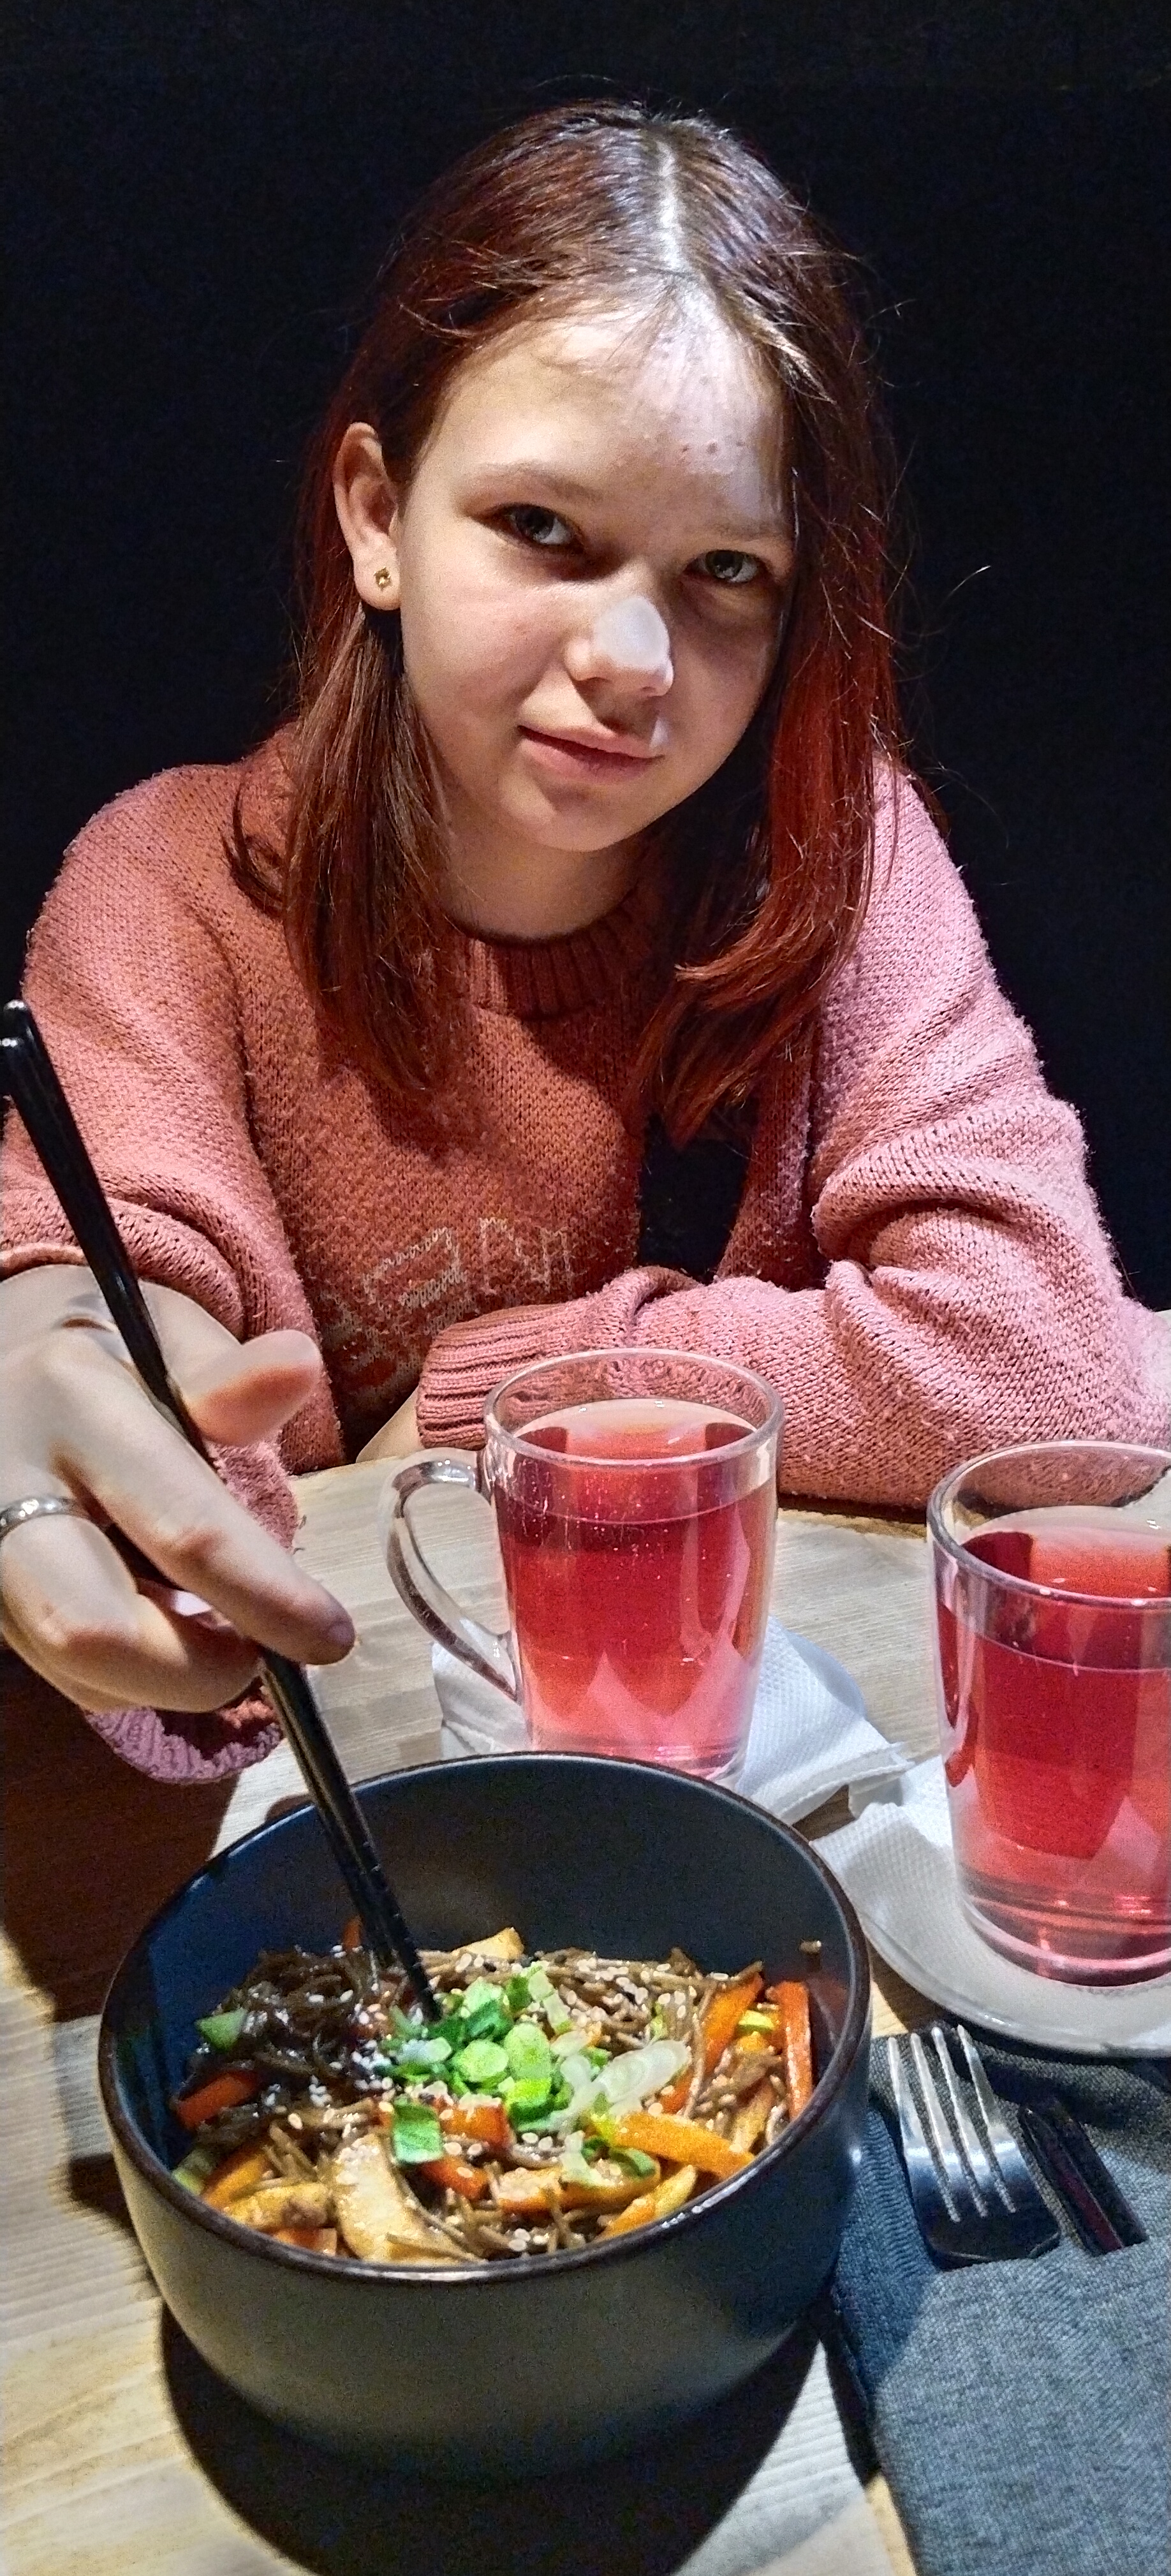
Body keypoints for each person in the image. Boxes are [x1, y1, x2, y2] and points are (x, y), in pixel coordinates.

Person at [1, 101, 1164, 1781]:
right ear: (377, 516)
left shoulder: (836, 847)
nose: (631, 657)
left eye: (725, 569)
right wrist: (73, 1384)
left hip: (746, 1751)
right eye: (542, 529)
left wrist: (502, 1397)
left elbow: (1039, 1370)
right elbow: (120, 1326)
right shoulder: (171, 890)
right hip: (385, 1770)